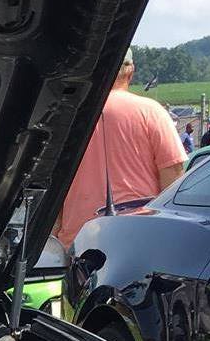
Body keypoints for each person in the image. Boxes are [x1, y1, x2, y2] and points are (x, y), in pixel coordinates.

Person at [57, 49, 185, 248]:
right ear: (130, 71)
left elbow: (52, 180)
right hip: (137, 236)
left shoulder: (69, 115)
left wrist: (55, 233)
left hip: (77, 239)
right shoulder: (151, 112)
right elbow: (173, 175)